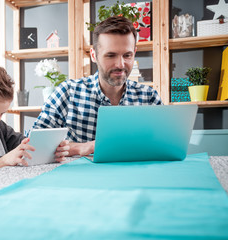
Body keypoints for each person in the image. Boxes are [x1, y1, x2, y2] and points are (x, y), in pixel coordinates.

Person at [33, 16, 162, 157]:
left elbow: (164, 146)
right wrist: (82, 148)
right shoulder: (68, 93)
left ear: (134, 53)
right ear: (94, 55)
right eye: (111, 55)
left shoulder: (149, 98)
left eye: (127, 55)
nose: (120, 64)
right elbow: (34, 146)